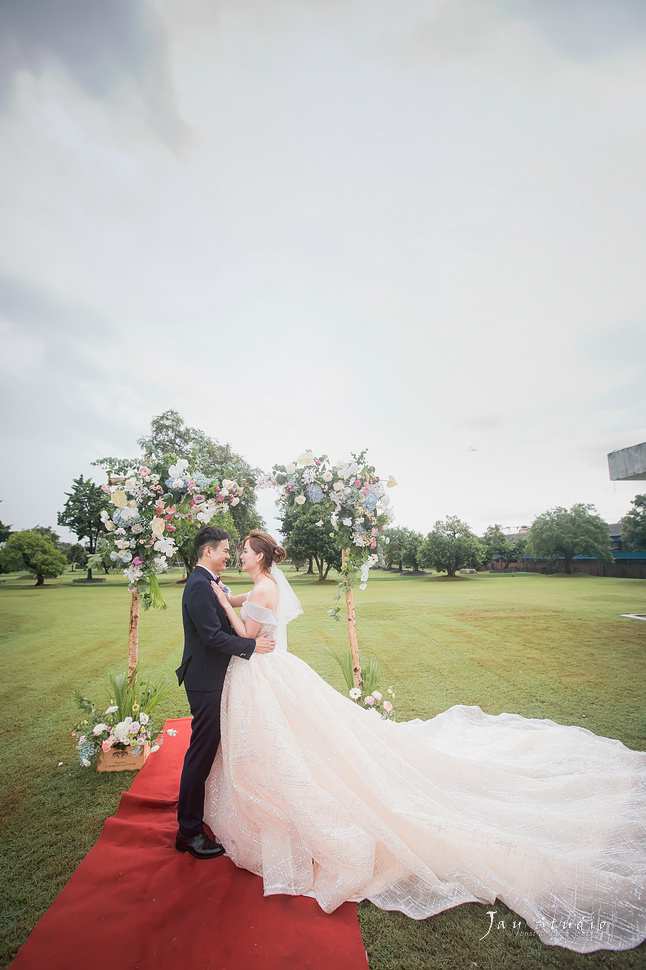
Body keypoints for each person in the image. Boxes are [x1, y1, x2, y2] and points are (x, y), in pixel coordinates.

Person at [204, 530, 646, 954]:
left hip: (264, 670)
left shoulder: (262, 589)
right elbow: (245, 602)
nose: (239, 556)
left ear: (258, 557)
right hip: (270, 671)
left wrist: (223, 603)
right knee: (291, 736)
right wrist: (227, 594)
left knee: (287, 738)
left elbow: (245, 636)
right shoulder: (261, 585)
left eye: (243, 551)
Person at [175, 526, 275, 860]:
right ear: (208, 552)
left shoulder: (210, 583)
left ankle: (200, 817)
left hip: (215, 676)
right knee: (200, 755)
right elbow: (212, 637)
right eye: (224, 550)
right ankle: (188, 832)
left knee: (208, 752)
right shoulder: (200, 586)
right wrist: (251, 645)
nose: (229, 555)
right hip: (205, 681)